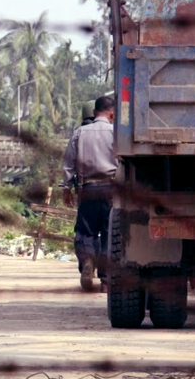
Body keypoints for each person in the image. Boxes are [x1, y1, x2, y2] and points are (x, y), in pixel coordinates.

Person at [62, 95, 117, 292]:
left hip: (87, 189)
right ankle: (106, 279)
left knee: (86, 231)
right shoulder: (116, 132)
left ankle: (87, 261)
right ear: (112, 113)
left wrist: (66, 188)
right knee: (110, 234)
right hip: (112, 189)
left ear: (94, 113)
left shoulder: (79, 133)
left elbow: (69, 163)